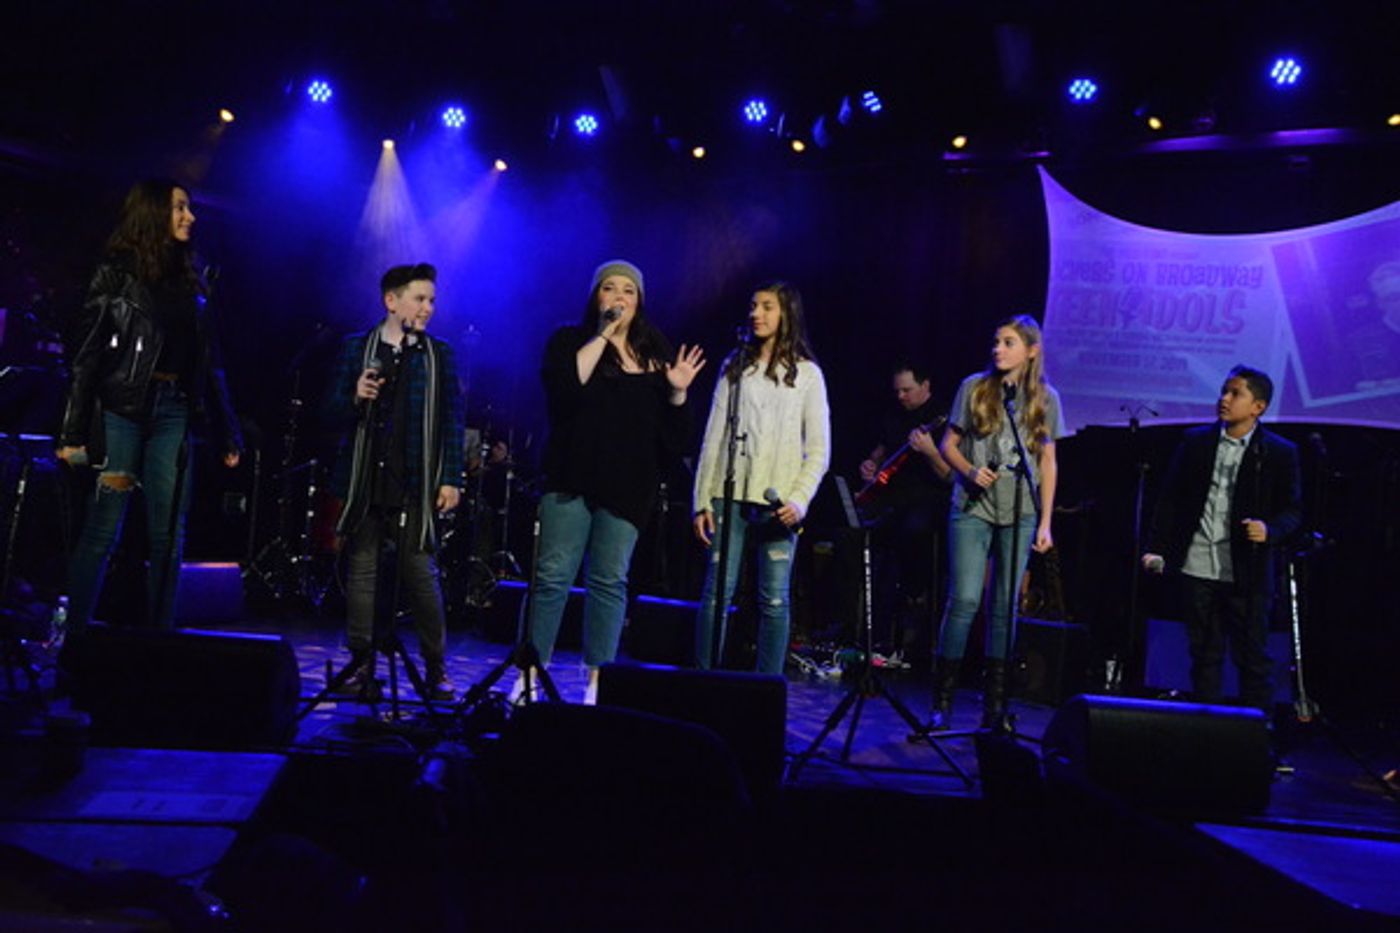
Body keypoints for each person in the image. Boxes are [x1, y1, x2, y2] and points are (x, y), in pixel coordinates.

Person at [56, 178, 242, 632]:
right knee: (104, 529)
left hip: (174, 412)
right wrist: (72, 431)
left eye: (189, 208)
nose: (190, 217)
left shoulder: (193, 276)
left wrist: (228, 428)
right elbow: (86, 356)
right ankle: (73, 641)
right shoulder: (115, 274)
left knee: (168, 535)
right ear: (154, 212)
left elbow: (210, 361)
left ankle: (159, 645)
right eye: (180, 207)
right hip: (121, 410)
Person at [525, 260, 704, 703]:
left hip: (628, 489)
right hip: (571, 479)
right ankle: (529, 675)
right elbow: (565, 391)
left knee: (609, 582)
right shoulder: (570, 340)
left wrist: (678, 392)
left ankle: (597, 682)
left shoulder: (656, 354)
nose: (619, 297)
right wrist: (603, 335)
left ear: (639, 301)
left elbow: (675, 440)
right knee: (552, 578)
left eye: (629, 290)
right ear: (596, 297)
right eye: (610, 288)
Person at [324, 263, 464, 702]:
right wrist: (353, 398)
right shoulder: (357, 348)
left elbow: (452, 421)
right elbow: (328, 412)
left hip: (414, 480)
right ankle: (360, 664)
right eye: (420, 298)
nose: (428, 308)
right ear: (391, 301)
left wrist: (451, 477)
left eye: (432, 300)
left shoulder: (438, 355)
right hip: (366, 477)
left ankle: (436, 668)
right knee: (362, 571)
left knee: (421, 574)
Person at [930, 315, 1065, 730]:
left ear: (1031, 350)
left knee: (1004, 605)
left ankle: (995, 704)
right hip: (973, 508)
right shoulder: (974, 387)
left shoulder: (1045, 397)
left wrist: (1045, 522)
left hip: (1019, 511)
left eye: (1008, 342)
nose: (998, 349)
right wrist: (969, 471)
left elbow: (1047, 460)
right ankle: (943, 701)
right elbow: (947, 444)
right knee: (967, 599)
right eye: (996, 342)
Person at [1142, 365, 1301, 714]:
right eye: (1224, 392)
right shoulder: (1195, 442)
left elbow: (1293, 510)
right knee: (1204, 655)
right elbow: (1170, 499)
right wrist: (1156, 549)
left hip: (1248, 570)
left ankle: (1258, 740)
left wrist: (1269, 529)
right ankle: (1207, 737)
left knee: (1253, 660)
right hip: (1198, 562)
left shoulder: (1277, 452)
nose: (1224, 400)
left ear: (1258, 406)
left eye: (1235, 394)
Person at [692, 281, 830, 675]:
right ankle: (703, 682)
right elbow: (713, 436)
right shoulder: (736, 366)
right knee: (717, 592)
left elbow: (819, 449)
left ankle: (767, 689)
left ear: (786, 312)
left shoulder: (807, 375)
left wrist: (799, 500)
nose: (756, 313)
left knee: (773, 600)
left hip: (778, 502)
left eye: (767, 306)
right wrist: (702, 499)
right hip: (729, 494)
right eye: (753, 305)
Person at [855, 361, 953, 664]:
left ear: (926, 387)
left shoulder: (943, 418)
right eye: (897, 391)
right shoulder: (894, 414)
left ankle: (914, 597)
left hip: (929, 499)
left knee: (910, 532)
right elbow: (882, 449)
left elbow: (948, 475)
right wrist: (871, 465)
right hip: (892, 498)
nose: (901, 397)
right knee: (859, 534)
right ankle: (866, 632)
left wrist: (930, 451)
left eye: (907, 390)